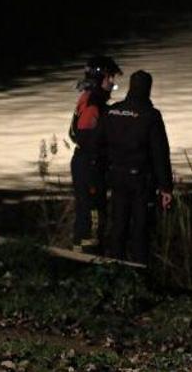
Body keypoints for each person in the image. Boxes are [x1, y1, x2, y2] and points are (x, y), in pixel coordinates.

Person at [104, 70, 173, 264]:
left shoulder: (112, 111)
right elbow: (160, 153)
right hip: (140, 180)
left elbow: (102, 143)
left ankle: (114, 269)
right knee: (140, 228)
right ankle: (139, 273)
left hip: (116, 176)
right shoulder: (151, 116)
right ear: (148, 89)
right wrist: (166, 187)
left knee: (118, 225)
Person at [69, 55, 121, 253]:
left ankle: (79, 256)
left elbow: (74, 134)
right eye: (110, 78)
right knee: (93, 215)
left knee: (85, 213)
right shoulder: (93, 103)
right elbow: (83, 135)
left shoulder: (88, 98)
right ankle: (88, 260)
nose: (112, 83)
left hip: (86, 163)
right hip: (90, 166)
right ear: (100, 78)